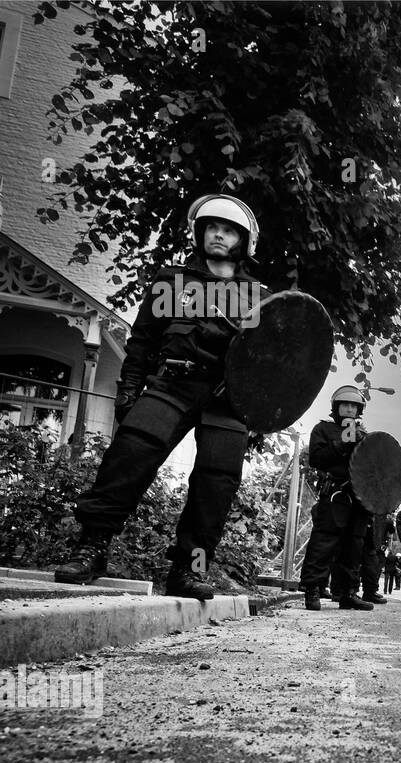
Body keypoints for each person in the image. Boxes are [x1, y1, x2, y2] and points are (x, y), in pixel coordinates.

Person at [56, 194, 269, 599]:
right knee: (129, 456)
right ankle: (92, 549)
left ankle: (189, 571)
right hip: (172, 383)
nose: (218, 235)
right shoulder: (171, 282)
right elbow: (143, 341)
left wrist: (260, 411)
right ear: (199, 233)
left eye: (227, 230)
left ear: (244, 240)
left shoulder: (257, 296)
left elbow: (268, 361)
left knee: (216, 484)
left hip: (228, 399)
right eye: (211, 228)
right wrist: (129, 389)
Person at [299, 386, 374, 611]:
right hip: (334, 494)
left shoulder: (365, 436)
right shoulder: (323, 429)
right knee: (324, 541)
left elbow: (375, 467)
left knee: (354, 545)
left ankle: (348, 592)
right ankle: (313, 589)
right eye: (346, 405)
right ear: (336, 407)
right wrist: (341, 444)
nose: (350, 409)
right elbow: (316, 459)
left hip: (359, 498)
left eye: (354, 406)